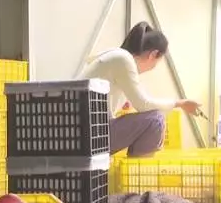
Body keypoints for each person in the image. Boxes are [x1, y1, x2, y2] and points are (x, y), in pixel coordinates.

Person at [79, 21, 201, 157]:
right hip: (87, 135)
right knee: (155, 120)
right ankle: (138, 176)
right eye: (157, 61)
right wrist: (180, 103)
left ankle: (136, 171)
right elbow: (143, 104)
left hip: (82, 133)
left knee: (151, 118)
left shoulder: (116, 57)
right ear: (153, 55)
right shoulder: (123, 59)